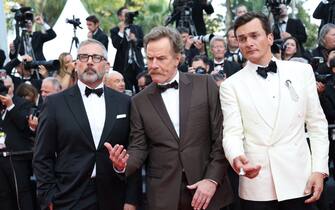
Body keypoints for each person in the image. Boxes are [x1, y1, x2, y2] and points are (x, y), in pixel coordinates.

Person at [104, 26, 233, 210]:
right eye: (150, 58)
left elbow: (221, 138)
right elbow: (139, 147)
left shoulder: (205, 85)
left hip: (209, 192)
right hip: (164, 196)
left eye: (161, 58)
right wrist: (122, 165)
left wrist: (212, 179)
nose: (153, 64)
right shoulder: (139, 101)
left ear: (177, 58)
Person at [220, 12, 329, 210]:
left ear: (270, 37)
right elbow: (231, 133)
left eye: (255, 35)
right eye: (242, 39)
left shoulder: (301, 72)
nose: (248, 43)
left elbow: (317, 125)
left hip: (300, 180)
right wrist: (237, 158)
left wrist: (319, 170)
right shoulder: (230, 86)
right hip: (257, 184)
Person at [33, 39, 141, 210]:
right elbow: (42, 155)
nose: (89, 62)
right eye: (84, 57)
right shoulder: (55, 103)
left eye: (96, 58)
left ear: (107, 65)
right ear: (76, 64)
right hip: (68, 196)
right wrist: (48, 197)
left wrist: (131, 199)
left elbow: (134, 151)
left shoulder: (125, 102)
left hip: (115, 196)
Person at [0, 76, 35, 210]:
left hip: (16, 157)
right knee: (3, 195)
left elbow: (24, 126)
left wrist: (10, 107)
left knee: (22, 194)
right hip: (1, 158)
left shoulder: (21, 104)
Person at [110, 7, 145, 93]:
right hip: (123, 65)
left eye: (129, 13)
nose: (128, 16)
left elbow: (143, 43)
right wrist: (121, 31)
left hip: (138, 65)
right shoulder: (115, 30)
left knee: (140, 90)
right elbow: (116, 44)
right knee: (126, 91)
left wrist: (135, 39)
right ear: (120, 17)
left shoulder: (137, 28)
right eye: (125, 14)